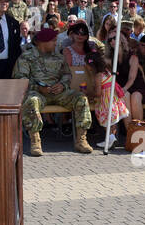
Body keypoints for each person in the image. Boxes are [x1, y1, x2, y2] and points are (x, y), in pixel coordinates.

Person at [14, 27, 93, 155]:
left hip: (59, 93)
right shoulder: (26, 57)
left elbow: (67, 74)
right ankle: (35, 141)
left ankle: (81, 140)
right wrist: (38, 88)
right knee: (32, 101)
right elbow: (20, 79)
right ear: (43, 42)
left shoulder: (59, 56)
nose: (56, 43)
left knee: (81, 98)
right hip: (38, 93)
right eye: (53, 41)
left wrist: (62, 85)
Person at [85, 46, 132, 147]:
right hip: (114, 99)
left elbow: (98, 93)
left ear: (91, 66)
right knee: (112, 121)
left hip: (105, 102)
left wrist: (88, 93)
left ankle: (110, 139)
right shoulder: (107, 72)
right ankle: (111, 138)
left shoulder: (98, 76)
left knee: (106, 121)